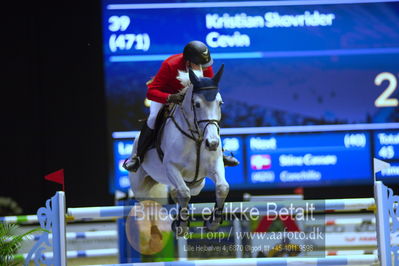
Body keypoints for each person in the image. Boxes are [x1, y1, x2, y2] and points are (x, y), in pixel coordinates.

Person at [123, 40, 239, 172]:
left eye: (204, 65)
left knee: (209, 116)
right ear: (188, 62)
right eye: (198, 64)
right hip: (166, 96)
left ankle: (220, 153)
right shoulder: (170, 65)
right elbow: (151, 92)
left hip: (191, 99)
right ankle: (137, 157)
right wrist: (170, 98)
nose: (202, 68)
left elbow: (208, 90)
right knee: (153, 117)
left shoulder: (205, 65)